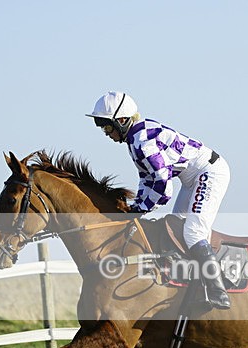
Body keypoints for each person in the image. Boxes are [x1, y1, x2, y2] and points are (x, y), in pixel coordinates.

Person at [87, 91, 231, 310]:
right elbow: (147, 179)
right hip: (192, 177)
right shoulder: (135, 138)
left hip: (209, 173)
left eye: (107, 126)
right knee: (177, 227)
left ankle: (218, 292)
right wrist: (137, 207)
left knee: (193, 233)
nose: (106, 133)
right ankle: (194, 286)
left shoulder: (142, 143)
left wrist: (141, 209)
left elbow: (164, 188)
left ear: (122, 121)